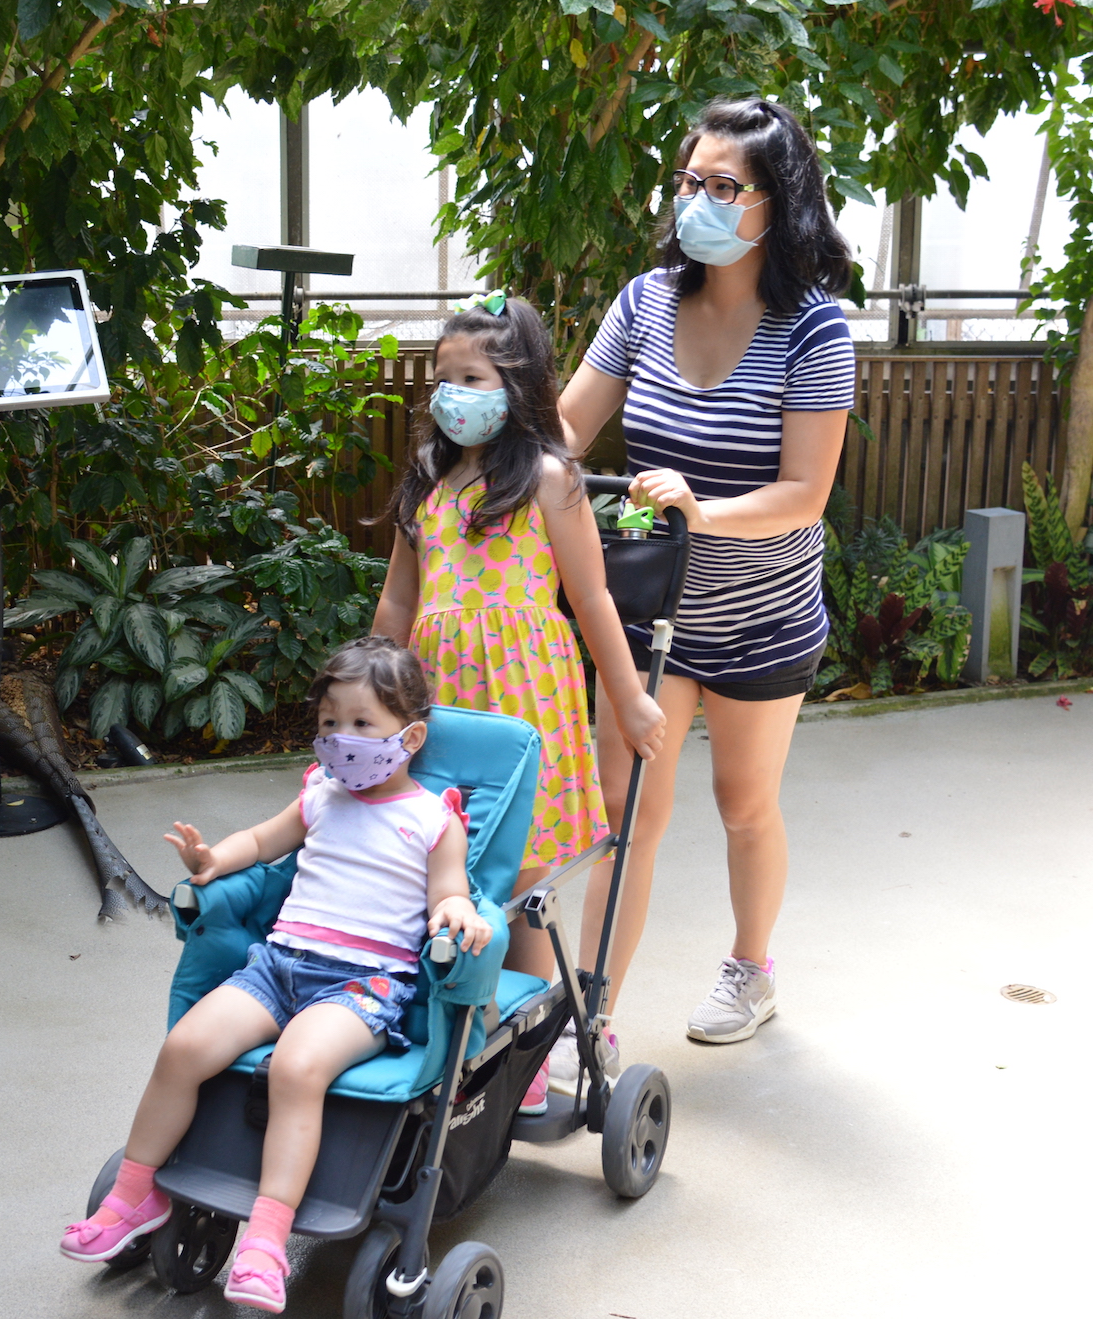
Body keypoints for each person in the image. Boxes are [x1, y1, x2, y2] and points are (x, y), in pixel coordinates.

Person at [552, 96, 854, 1081]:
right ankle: (585, 1019)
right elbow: (566, 428)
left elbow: (804, 495)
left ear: (775, 203)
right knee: (625, 809)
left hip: (759, 617)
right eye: (688, 182)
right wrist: (498, 473)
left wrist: (700, 507)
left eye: (722, 186)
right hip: (645, 604)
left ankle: (749, 967)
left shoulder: (812, 332)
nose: (697, 200)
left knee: (740, 806)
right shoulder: (641, 302)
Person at [57, 637, 491, 1315]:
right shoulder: (321, 794)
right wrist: (212, 857)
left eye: (361, 725)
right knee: (184, 1050)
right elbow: (263, 842)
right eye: (329, 725)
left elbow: (449, 894)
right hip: (280, 966)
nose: (342, 740)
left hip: (362, 985)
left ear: (411, 737)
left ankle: (265, 1238)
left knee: (295, 1069)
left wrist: (460, 914)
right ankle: (137, 1191)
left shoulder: (433, 819)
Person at [369, 292, 666, 1111]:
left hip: (524, 706)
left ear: (517, 385)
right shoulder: (428, 478)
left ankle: (525, 1059)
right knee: (441, 867)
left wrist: (630, 699)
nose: (451, 393)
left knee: (522, 883)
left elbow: (595, 598)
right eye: (442, 377)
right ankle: (442, 1031)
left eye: (471, 376)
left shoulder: (548, 480)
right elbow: (398, 601)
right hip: (439, 701)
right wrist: (370, 687)